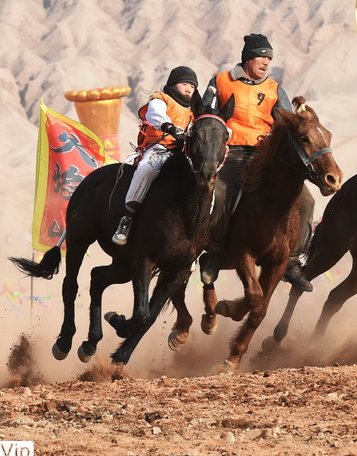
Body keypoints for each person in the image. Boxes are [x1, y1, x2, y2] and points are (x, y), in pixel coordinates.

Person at [200, 33, 314, 291]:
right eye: (262, 56)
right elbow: (206, 115)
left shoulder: (274, 89)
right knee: (218, 194)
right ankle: (215, 255)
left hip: (265, 157)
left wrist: (302, 119)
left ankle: (293, 260)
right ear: (248, 58)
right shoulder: (221, 81)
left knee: (307, 201)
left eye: (269, 58)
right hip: (231, 154)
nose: (266, 62)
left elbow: (287, 123)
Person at [113, 66, 198, 246]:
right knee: (146, 170)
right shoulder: (161, 100)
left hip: (185, 152)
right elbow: (155, 115)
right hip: (160, 148)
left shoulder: (196, 109)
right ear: (173, 85)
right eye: (185, 83)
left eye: (192, 85)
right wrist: (169, 127)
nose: (189, 88)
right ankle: (127, 218)